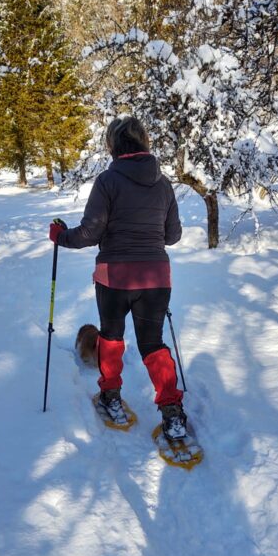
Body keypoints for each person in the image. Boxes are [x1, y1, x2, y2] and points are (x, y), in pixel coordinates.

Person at [49, 116, 188, 440]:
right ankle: (172, 413)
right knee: (153, 344)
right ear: (144, 142)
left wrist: (60, 236)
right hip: (156, 277)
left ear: (113, 145)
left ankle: (111, 397)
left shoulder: (108, 182)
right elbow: (173, 236)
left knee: (112, 337)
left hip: (114, 277)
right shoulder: (163, 183)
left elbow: (88, 232)